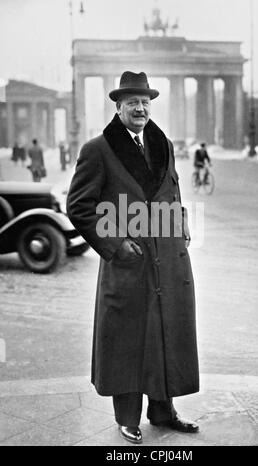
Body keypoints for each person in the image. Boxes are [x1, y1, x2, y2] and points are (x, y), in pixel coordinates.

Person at [67, 71, 199, 444]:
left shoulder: (164, 144)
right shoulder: (98, 149)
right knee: (127, 338)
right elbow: (79, 207)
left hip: (167, 261)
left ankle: (164, 410)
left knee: (165, 332)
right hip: (128, 260)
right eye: (132, 102)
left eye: (145, 102)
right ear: (118, 106)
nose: (140, 108)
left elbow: (171, 190)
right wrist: (115, 243)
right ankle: (127, 418)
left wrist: (182, 220)